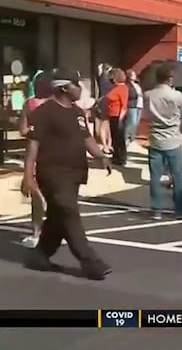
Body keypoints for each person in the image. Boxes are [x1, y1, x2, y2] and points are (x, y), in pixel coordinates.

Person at [21, 68, 112, 280]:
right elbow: (32, 146)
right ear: (63, 87)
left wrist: (101, 156)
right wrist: (28, 176)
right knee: (69, 212)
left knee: (57, 216)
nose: (80, 89)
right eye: (76, 85)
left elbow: (86, 139)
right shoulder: (44, 112)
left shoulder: (77, 112)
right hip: (52, 173)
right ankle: (91, 262)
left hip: (74, 173)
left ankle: (41, 255)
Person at [143, 65, 182, 220]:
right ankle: (180, 210)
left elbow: (146, 114)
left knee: (155, 177)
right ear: (170, 78)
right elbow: (181, 115)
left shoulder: (148, 95)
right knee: (177, 176)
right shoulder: (177, 96)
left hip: (155, 138)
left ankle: (156, 210)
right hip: (173, 138)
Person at [18, 70, 53, 248]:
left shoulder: (30, 104)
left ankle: (36, 233)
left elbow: (23, 130)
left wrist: (33, 131)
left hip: (36, 151)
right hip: (56, 152)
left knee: (36, 193)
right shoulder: (57, 104)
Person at [104, 69, 129, 165]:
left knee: (119, 138)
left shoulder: (123, 88)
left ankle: (121, 158)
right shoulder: (115, 88)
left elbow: (124, 105)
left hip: (118, 116)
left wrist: (120, 120)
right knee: (114, 138)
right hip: (112, 115)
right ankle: (116, 156)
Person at [94, 63, 113, 153]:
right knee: (106, 126)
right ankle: (107, 145)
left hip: (102, 103)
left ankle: (106, 145)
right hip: (107, 103)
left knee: (104, 126)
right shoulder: (107, 80)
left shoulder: (102, 79)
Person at [125, 70, 143, 147]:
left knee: (136, 122)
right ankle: (126, 138)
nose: (135, 76)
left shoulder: (137, 85)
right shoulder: (127, 85)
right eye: (133, 75)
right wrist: (137, 95)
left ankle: (132, 137)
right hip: (132, 105)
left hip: (139, 104)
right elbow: (130, 95)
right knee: (131, 122)